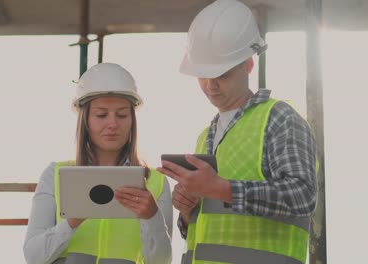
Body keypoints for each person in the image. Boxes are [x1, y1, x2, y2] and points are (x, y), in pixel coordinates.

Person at [157, 0, 317, 263]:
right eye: (203, 76)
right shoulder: (204, 136)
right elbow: (204, 231)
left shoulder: (279, 119)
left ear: (248, 65)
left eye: (222, 74)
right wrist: (188, 210)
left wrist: (223, 189)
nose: (211, 86)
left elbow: (302, 196)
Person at [24, 63, 173, 264]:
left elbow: (161, 262)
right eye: (101, 115)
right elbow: (33, 257)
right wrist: (72, 222)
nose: (112, 123)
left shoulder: (155, 182)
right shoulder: (56, 175)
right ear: (85, 120)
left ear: (132, 121)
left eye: (121, 115)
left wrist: (151, 217)